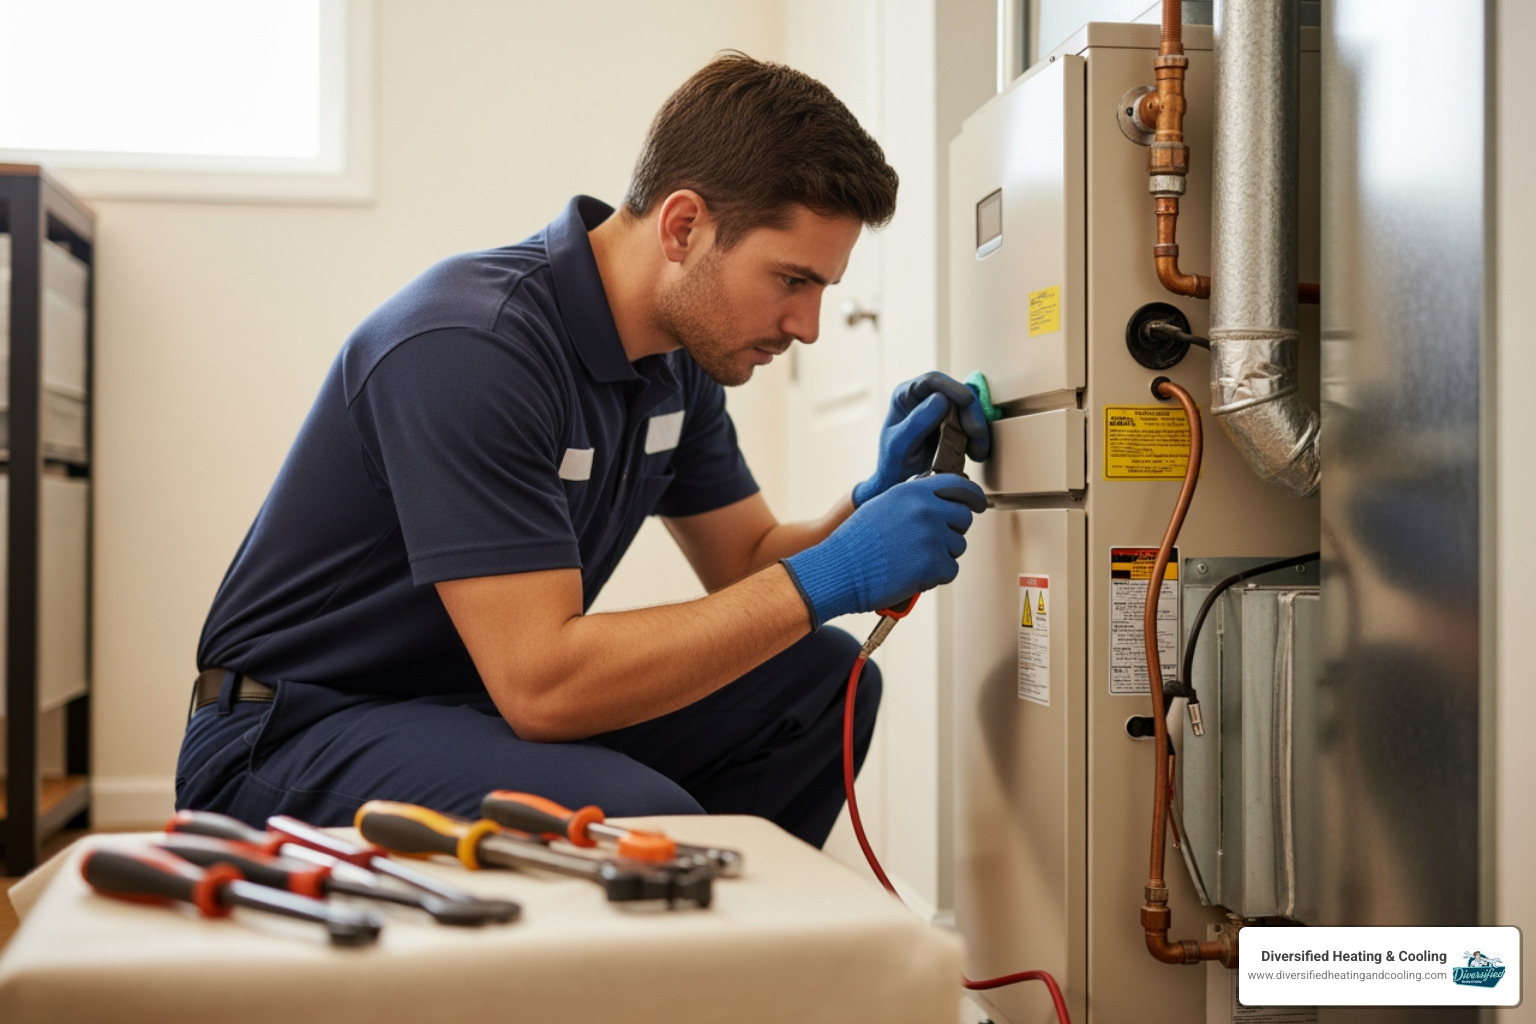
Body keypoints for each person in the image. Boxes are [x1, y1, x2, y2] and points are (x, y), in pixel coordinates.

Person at [175, 53, 989, 848]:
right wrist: (837, 573)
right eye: (791, 280)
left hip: (467, 710)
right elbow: (543, 685)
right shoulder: (469, 347)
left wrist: (868, 504)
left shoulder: (678, 367)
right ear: (684, 226)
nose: (807, 326)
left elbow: (747, 561)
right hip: (287, 730)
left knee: (821, 683)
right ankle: (655, 941)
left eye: (821, 290)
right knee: (636, 812)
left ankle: (715, 957)